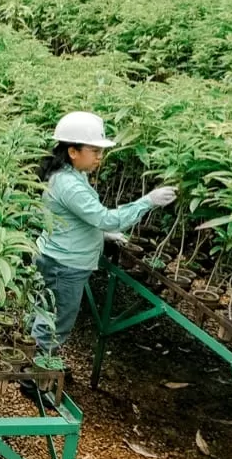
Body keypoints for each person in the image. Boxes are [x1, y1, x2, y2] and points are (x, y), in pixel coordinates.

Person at [29, 111, 176, 365]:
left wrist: (101, 233)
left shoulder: (69, 174)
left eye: (101, 151)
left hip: (55, 256)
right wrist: (147, 201)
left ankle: (30, 360)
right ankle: (35, 374)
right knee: (56, 322)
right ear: (73, 151)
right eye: (94, 151)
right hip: (65, 266)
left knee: (43, 312)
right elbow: (106, 218)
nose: (100, 157)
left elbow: (74, 216)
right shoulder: (70, 184)